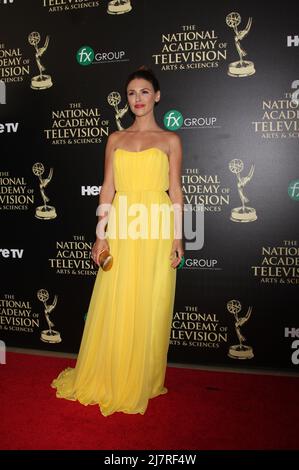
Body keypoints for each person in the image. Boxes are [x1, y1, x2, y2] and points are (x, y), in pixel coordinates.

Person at [51, 67, 184, 416]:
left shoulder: (170, 140)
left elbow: (176, 192)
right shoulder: (115, 138)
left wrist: (179, 237)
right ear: (126, 100)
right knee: (117, 296)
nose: (137, 99)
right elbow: (107, 188)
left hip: (155, 225)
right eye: (131, 93)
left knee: (149, 300)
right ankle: (110, 373)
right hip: (123, 223)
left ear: (156, 96)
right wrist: (101, 235)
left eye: (143, 92)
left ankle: (141, 377)